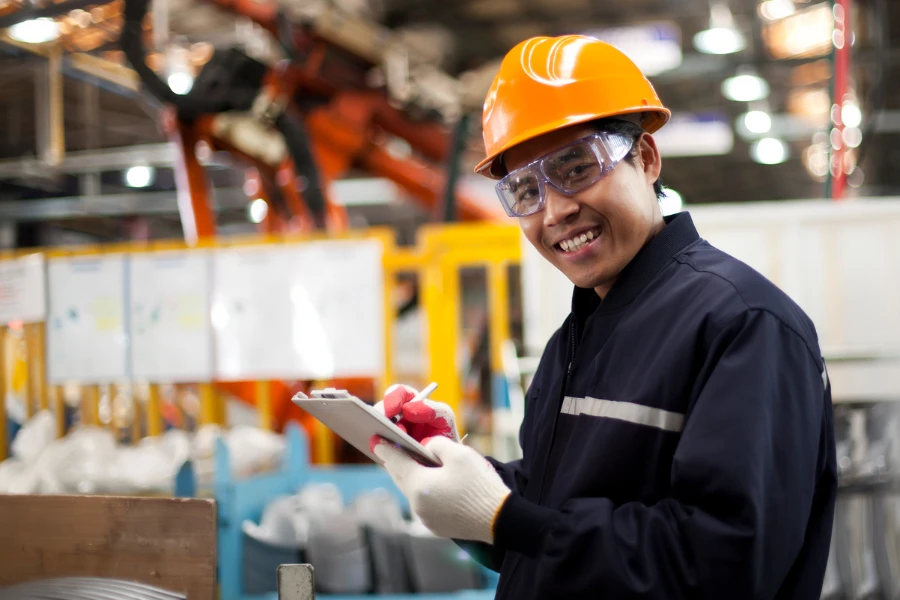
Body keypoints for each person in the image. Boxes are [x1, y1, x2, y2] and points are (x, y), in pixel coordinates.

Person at [371, 35, 837, 599]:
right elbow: (556, 510)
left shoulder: (744, 325)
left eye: (576, 168)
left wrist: (505, 518)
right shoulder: (576, 337)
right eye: (524, 190)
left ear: (645, 158)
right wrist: (458, 468)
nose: (557, 211)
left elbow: (726, 565)